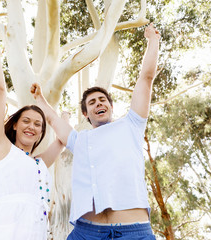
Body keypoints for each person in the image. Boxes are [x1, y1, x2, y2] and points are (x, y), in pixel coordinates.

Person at [30, 23, 160, 240]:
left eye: (103, 99)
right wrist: (39, 98)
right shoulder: (79, 139)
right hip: (87, 232)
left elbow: (146, 79)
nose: (99, 103)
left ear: (110, 106)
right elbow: (52, 119)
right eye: (92, 102)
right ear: (86, 114)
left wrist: (152, 41)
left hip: (133, 232)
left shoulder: (132, 124)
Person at [0, 40, 64, 240]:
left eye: (38, 124)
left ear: (41, 133)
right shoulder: (0, 148)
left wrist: (62, 116)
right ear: (15, 124)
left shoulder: (39, 164)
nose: (31, 127)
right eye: (26, 121)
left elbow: (61, 141)